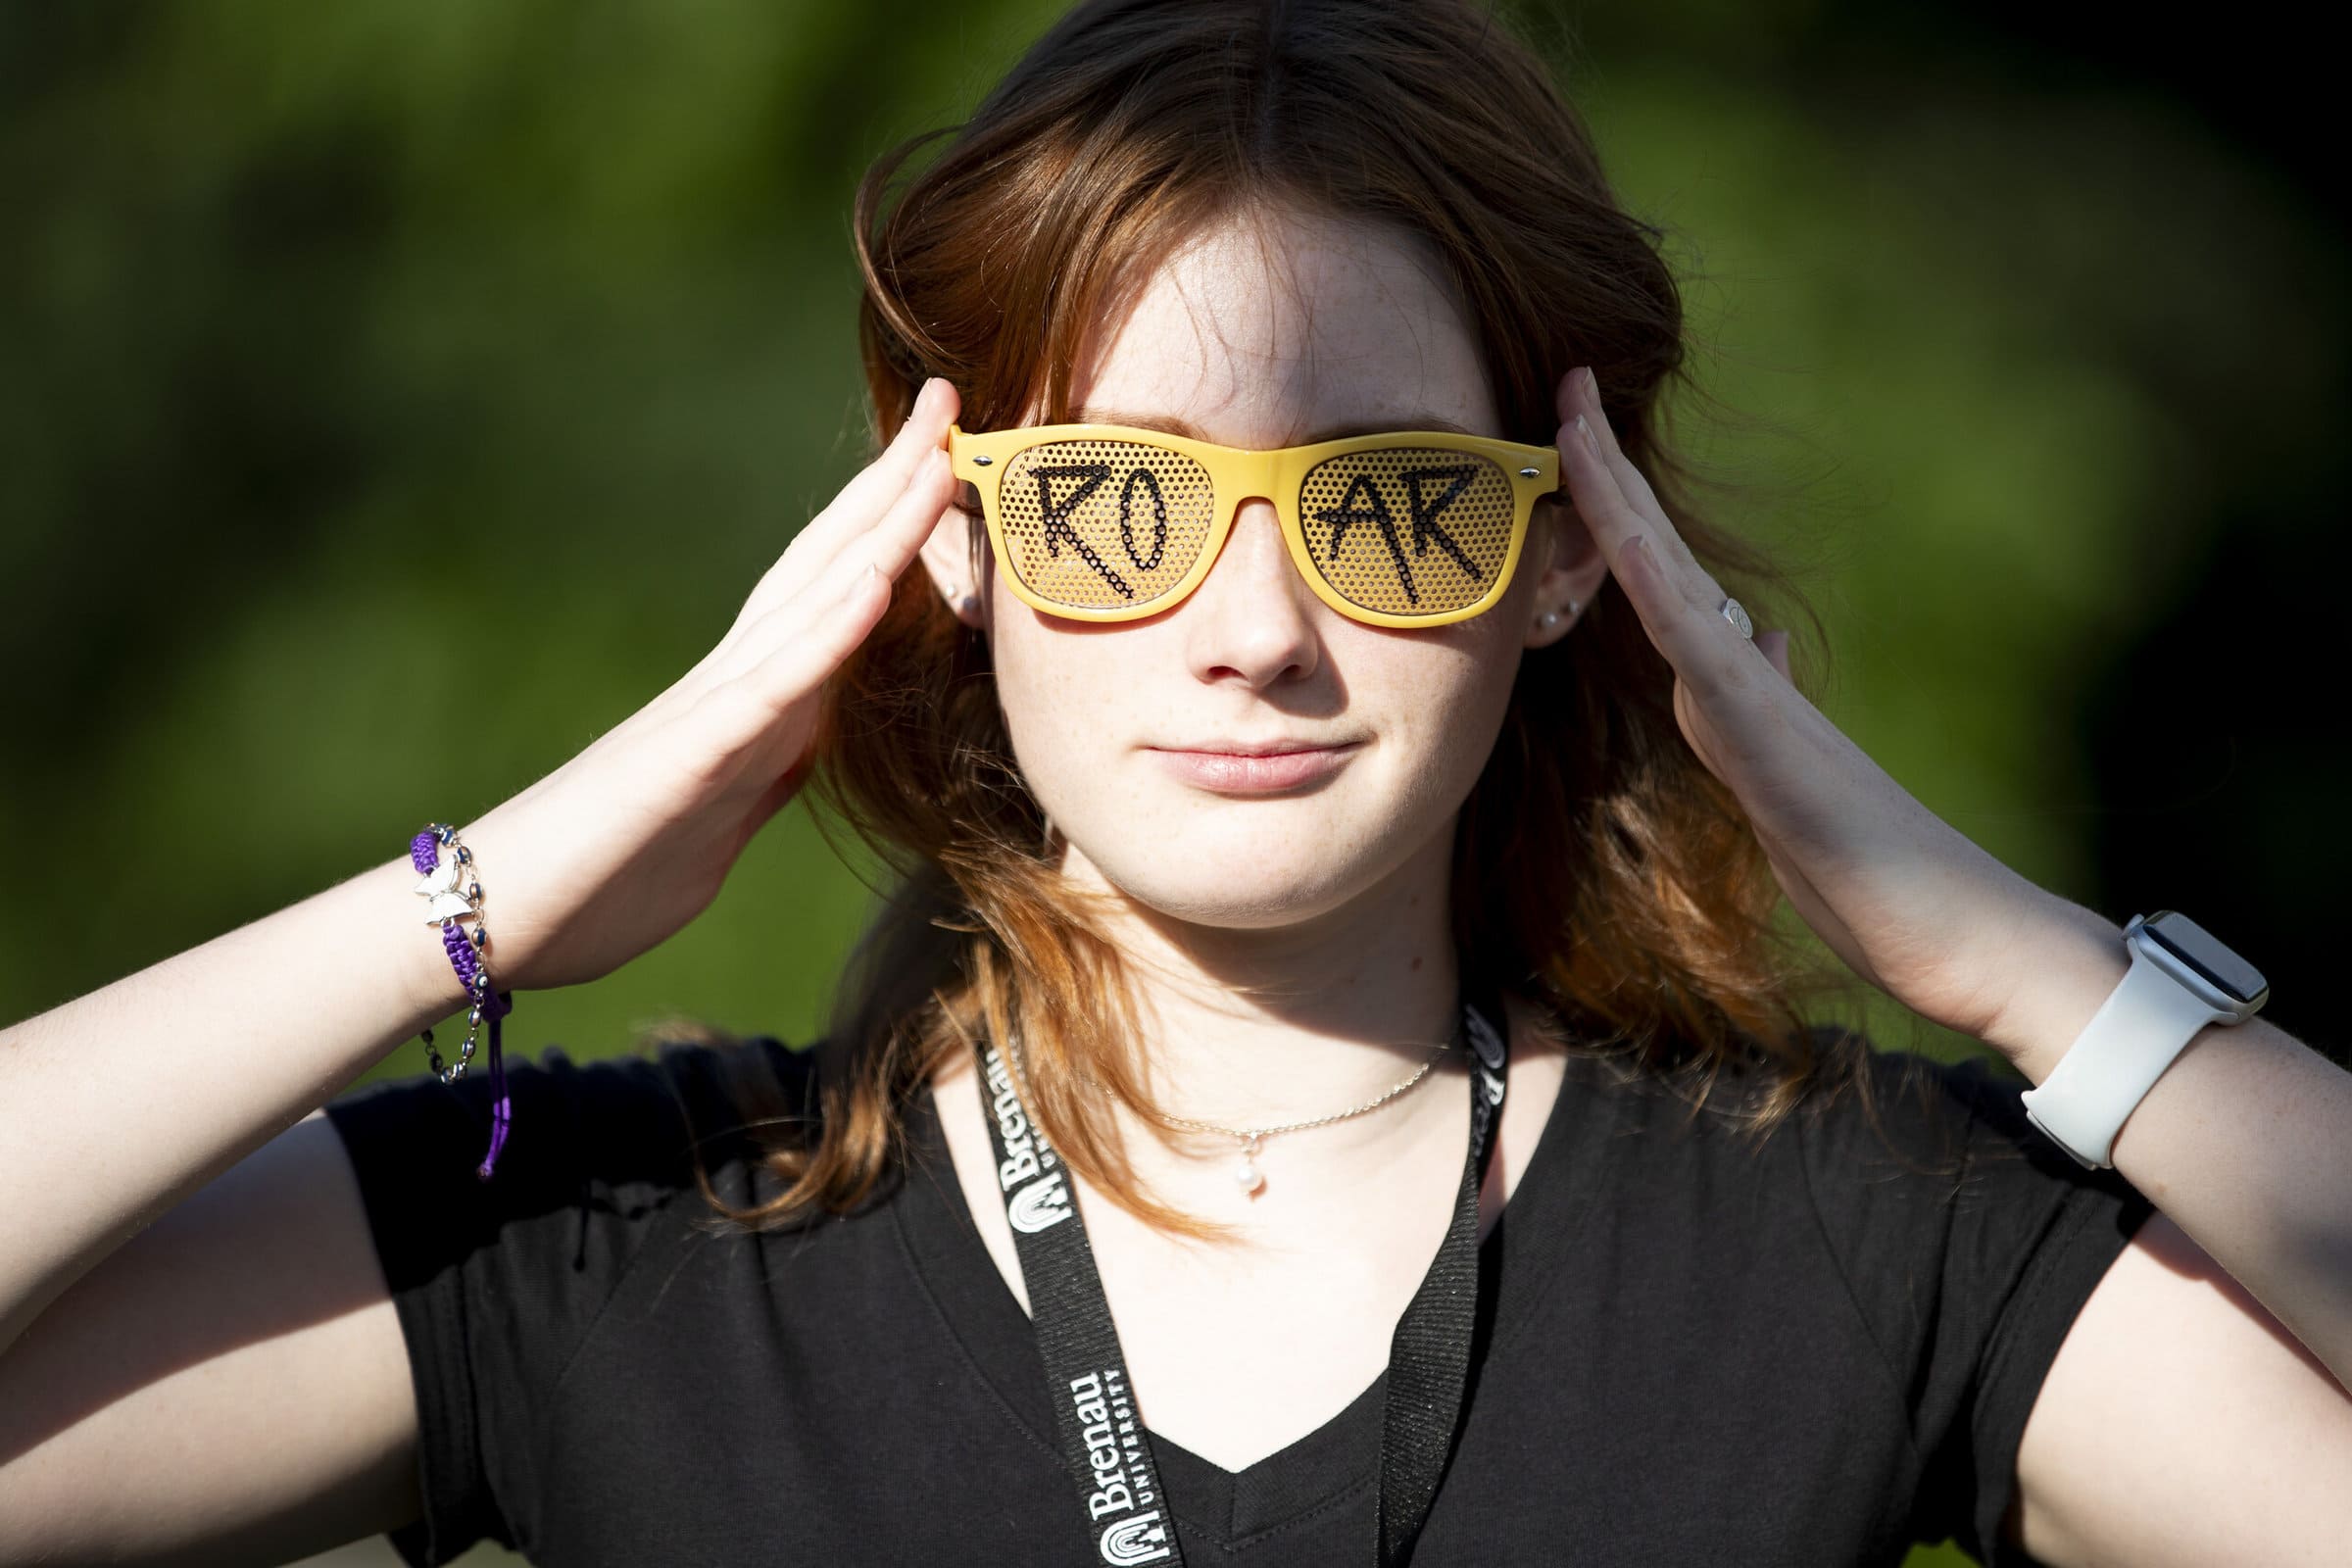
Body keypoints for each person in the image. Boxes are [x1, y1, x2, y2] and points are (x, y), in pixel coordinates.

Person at [5, 1, 2349, 1564]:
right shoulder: (617, 1241)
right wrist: (491, 890)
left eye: (1389, 504)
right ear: (956, 545)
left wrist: (2019, 970)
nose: (1255, 625)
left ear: (1564, 557)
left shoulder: (1849, 1233)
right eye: (1119, 500)